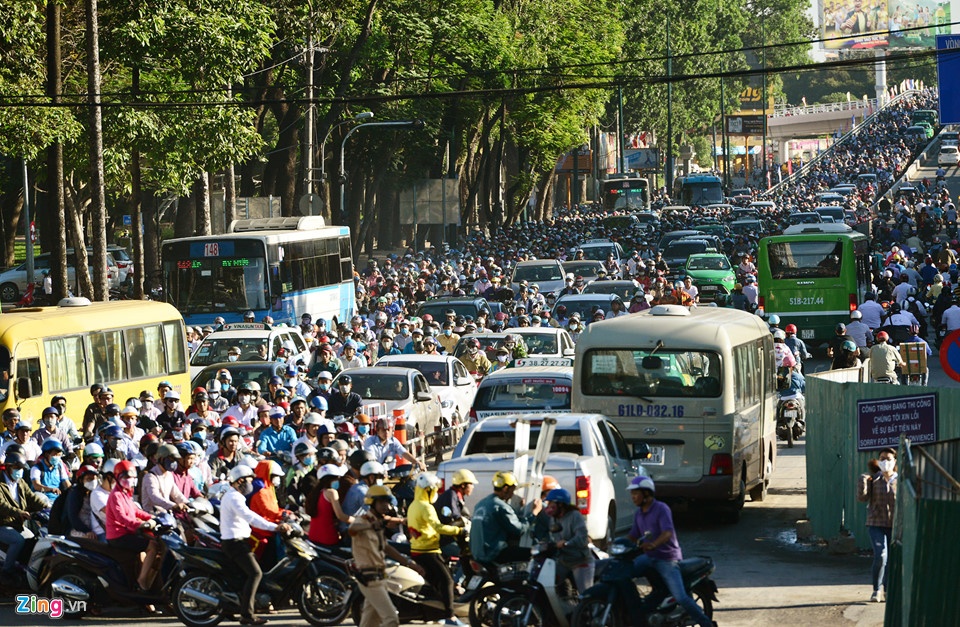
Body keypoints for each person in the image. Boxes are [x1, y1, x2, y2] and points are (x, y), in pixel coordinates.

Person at [627, 476, 713, 627]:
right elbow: (633, 536)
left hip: (666, 559)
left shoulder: (661, 509)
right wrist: (617, 545)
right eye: (632, 493)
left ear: (646, 494)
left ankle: (707, 624)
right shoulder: (639, 514)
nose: (633, 497)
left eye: (636, 493)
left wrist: (653, 544)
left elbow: (667, 533)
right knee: (625, 572)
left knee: (681, 597)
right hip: (648, 557)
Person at [220, 464, 290, 626]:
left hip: (237, 542)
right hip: (235, 543)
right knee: (255, 574)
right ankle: (247, 615)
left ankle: (233, 607)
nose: (251, 485)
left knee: (247, 575)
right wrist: (275, 527)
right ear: (240, 481)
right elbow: (251, 517)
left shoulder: (234, 496)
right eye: (248, 481)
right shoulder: (234, 498)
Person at [349, 485, 425, 627]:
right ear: (372, 503)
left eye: (387, 502)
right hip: (369, 578)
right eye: (382, 502)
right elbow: (352, 529)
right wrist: (370, 526)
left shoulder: (377, 524)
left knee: (369, 622)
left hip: (380, 578)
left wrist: (410, 564)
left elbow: (387, 548)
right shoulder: (364, 521)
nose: (386, 505)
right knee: (391, 619)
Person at [407, 472, 466, 626]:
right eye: (434, 490)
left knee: (437, 583)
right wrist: (459, 530)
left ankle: (437, 614)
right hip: (427, 551)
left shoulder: (414, 504)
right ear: (428, 490)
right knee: (447, 581)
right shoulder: (426, 507)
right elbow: (438, 527)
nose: (436, 493)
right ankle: (450, 616)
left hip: (418, 549)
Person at [105, 460, 161, 592]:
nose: (129, 480)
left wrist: (152, 517)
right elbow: (122, 518)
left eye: (131, 477)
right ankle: (142, 581)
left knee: (154, 543)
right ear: (118, 478)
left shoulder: (125, 493)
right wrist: (142, 524)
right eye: (126, 477)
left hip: (128, 532)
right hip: (118, 536)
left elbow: (135, 511)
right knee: (152, 547)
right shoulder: (116, 495)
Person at [471, 471, 542, 565]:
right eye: (513, 490)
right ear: (505, 488)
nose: (513, 494)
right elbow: (519, 529)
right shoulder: (501, 507)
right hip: (493, 553)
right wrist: (534, 513)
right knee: (534, 554)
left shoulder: (481, 504)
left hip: (477, 554)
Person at [0, 452, 49, 585]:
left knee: (33, 539)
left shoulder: (20, 482)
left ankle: (22, 567)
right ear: (8, 468)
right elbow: (2, 505)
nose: (19, 471)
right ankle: (6, 571)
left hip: (16, 524)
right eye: (17, 468)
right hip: (2, 524)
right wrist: (19, 512)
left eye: (21, 468)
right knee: (18, 541)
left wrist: (48, 508)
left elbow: (32, 498)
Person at [857, 448, 897, 603]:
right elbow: (862, 498)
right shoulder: (874, 479)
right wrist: (863, 481)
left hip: (894, 525)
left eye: (888, 459)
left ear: (895, 462)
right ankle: (877, 589)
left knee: (891, 559)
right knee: (881, 555)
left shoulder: (900, 480)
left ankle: (887, 589)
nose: (885, 462)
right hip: (876, 523)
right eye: (882, 459)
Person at [543, 487, 594, 593]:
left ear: (560, 504)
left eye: (551, 503)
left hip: (579, 560)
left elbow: (582, 537)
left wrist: (567, 543)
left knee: (586, 595)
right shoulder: (553, 518)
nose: (548, 507)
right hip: (563, 560)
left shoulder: (575, 516)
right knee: (548, 585)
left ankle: (591, 608)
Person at [306, 464, 352, 546]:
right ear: (331, 479)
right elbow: (341, 516)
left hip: (313, 536)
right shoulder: (331, 492)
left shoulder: (316, 493)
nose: (338, 481)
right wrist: (358, 520)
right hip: (327, 538)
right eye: (337, 478)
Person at [141, 444, 189, 514]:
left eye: (175, 460)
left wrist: (187, 503)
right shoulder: (150, 476)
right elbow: (154, 497)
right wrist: (174, 505)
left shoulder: (169, 475)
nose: (174, 462)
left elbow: (176, 494)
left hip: (165, 514)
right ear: (162, 459)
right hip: (151, 514)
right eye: (171, 459)